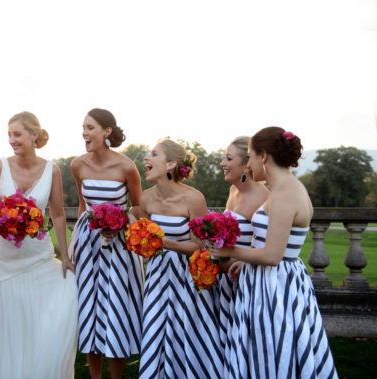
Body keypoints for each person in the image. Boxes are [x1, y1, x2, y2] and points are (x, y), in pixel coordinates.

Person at [211, 127, 337, 378]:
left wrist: (229, 249)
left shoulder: (285, 195)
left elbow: (272, 256)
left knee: (272, 353)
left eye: (251, 156)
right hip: (266, 279)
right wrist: (244, 261)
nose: (249, 164)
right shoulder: (285, 189)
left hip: (275, 285)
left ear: (264, 156)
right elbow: (269, 247)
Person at [0, 111, 78, 379]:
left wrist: (66, 254)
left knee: (41, 317)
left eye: (17, 134)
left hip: (38, 255)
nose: (12, 140)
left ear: (34, 135)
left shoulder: (52, 170)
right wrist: (7, 222)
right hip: (4, 257)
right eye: (9, 135)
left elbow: (57, 214)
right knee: (10, 323)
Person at [133, 139, 224, 378]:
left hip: (187, 277)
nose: (147, 159)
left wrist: (166, 243)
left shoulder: (194, 199)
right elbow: (140, 230)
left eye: (153, 154)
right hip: (157, 275)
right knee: (155, 328)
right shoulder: (146, 198)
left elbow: (200, 246)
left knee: (187, 334)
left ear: (171, 164)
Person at [70, 108, 143, 379]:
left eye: (90, 127)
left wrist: (118, 221)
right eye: (83, 127)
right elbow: (82, 206)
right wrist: (74, 246)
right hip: (87, 244)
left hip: (120, 246)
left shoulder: (126, 166)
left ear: (106, 131)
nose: (84, 133)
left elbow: (137, 207)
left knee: (116, 309)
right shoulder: (78, 164)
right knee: (89, 306)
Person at [216, 136, 269, 378]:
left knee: (247, 346)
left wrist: (243, 261)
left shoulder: (265, 198)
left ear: (247, 164)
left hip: (247, 284)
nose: (222, 164)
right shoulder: (232, 190)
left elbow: (269, 246)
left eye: (228, 159)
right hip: (223, 282)